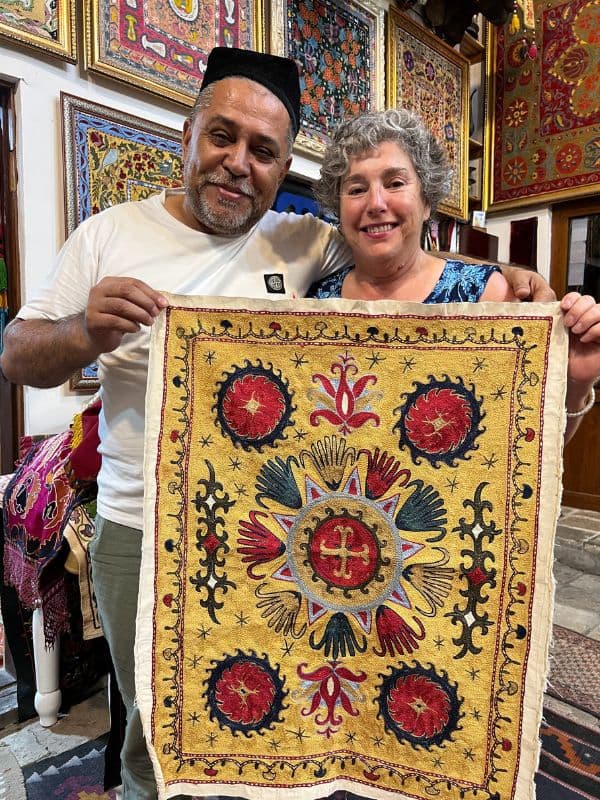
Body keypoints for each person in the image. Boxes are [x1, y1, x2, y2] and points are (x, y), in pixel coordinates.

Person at [0, 49, 558, 799]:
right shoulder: (108, 235)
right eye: (222, 137)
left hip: (262, 536)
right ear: (189, 134)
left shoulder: (300, 244)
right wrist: (85, 332)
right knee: (154, 730)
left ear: (284, 165)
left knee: (256, 711)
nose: (237, 163)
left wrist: (501, 280)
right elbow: (17, 356)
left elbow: (394, 246)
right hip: (141, 529)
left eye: (263, 151)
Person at [306, 108, 600, 441]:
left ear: (427, 200)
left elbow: (526, 453)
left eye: (395, 183)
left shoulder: (490, 297)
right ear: (338, 206)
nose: (375, 203)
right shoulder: (317, 302)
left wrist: (577, 383)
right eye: (356, 189)